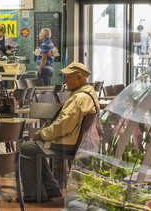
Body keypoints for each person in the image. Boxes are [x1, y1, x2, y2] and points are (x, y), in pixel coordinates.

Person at [19, 61, 100, 201]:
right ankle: (51, 188)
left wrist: (42, 134)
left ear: (79, 77)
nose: (65, 81)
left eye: (68, 77)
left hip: (67, 143)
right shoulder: (89, 94)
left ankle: (33, 194)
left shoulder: (78, 98)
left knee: (25, 148)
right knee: (35, 148)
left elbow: (63, 126)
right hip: (76, 142)